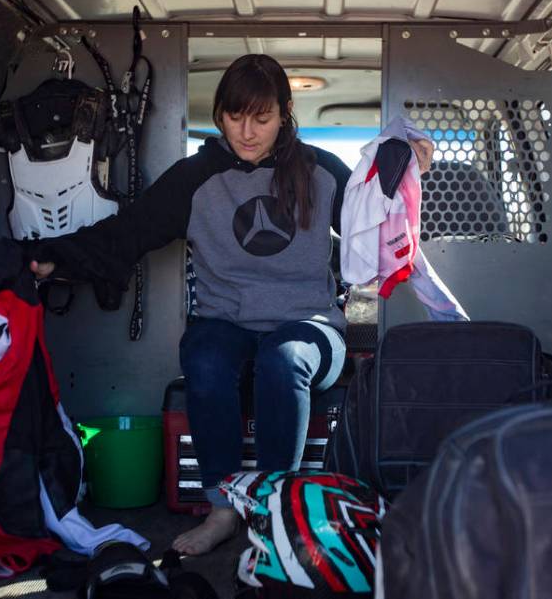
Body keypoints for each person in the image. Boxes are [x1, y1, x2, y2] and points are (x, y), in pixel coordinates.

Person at [28, 54, 433, 555]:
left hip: (309, 327)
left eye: (261, 118)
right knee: (204, 356)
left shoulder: (322, 172)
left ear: (284, 113)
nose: (247, 131)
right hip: (225, 323)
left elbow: (378, 226)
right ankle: (223, 508)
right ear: (219, 115)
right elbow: (126, 234)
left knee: (282, 361)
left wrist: (409, 167)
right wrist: (52, 257)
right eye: (235, 116)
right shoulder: (194, 179)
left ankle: (274, 510)